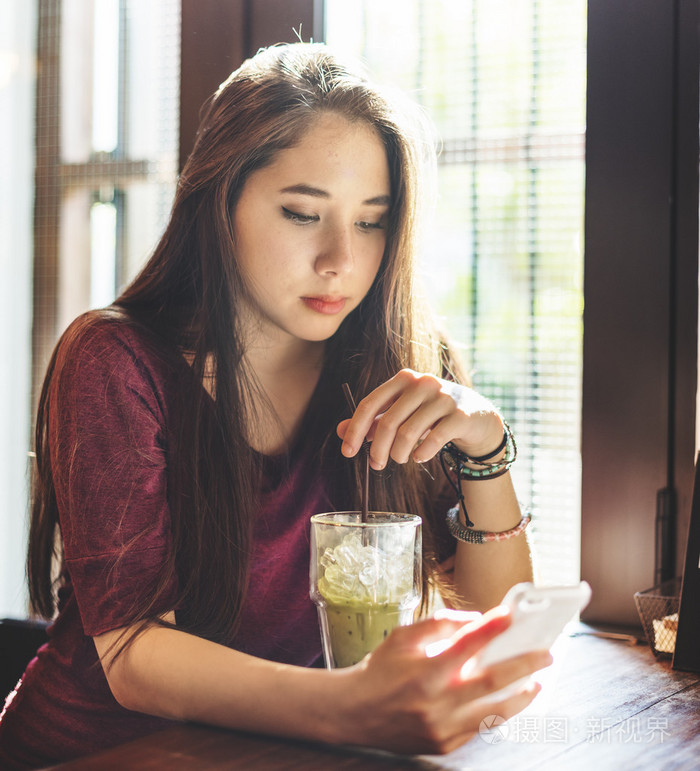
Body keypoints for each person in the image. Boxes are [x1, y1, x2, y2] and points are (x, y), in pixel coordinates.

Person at [0, 42, 550, 768]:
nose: (341, 260)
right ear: (219, 199)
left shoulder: (403, 360)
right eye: (301, 213)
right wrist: (355, 705)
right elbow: (132, 656)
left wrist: (486, 448)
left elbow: (494, 623)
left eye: (371, 220)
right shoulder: (116, 359)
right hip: (88, 753)